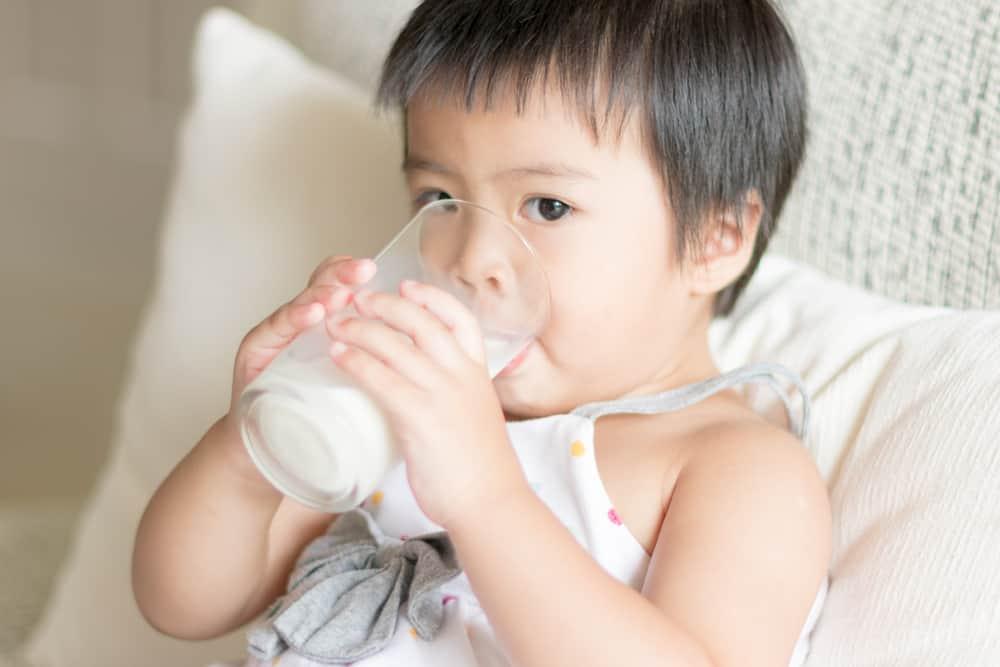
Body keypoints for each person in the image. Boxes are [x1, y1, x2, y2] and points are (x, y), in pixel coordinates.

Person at [132, 1, 832, 665]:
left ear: (717, 236)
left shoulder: (736, 468)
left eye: (547, 206)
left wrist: (484, 495)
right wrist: (248, 451)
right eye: (440, 199)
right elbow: (180, 602)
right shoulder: (403, 406)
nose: (470, 259)